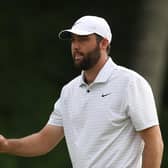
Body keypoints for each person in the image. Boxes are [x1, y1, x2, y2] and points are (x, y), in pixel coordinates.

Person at [0, 15, 164, 168]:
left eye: (84, 39)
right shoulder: (69, 91)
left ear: (104, 43)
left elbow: (154, 142)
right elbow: (44, 140)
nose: (76, 46)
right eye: (73, 40)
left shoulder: (130, 83)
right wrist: (6, 145)